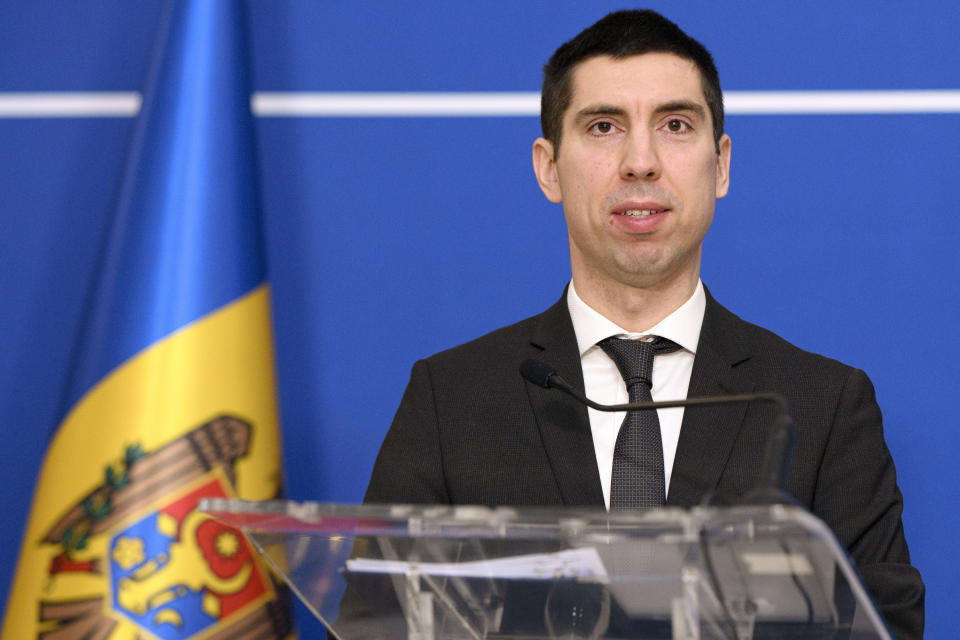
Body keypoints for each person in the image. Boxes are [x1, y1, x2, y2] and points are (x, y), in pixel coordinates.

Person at [363, 9, 924, 637]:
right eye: (603, 126)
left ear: (721, 165)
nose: (640, 162)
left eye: (676, 125)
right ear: (548, 167)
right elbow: (374, 622)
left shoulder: (822, 406)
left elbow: (889, 624)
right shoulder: (452, 398)